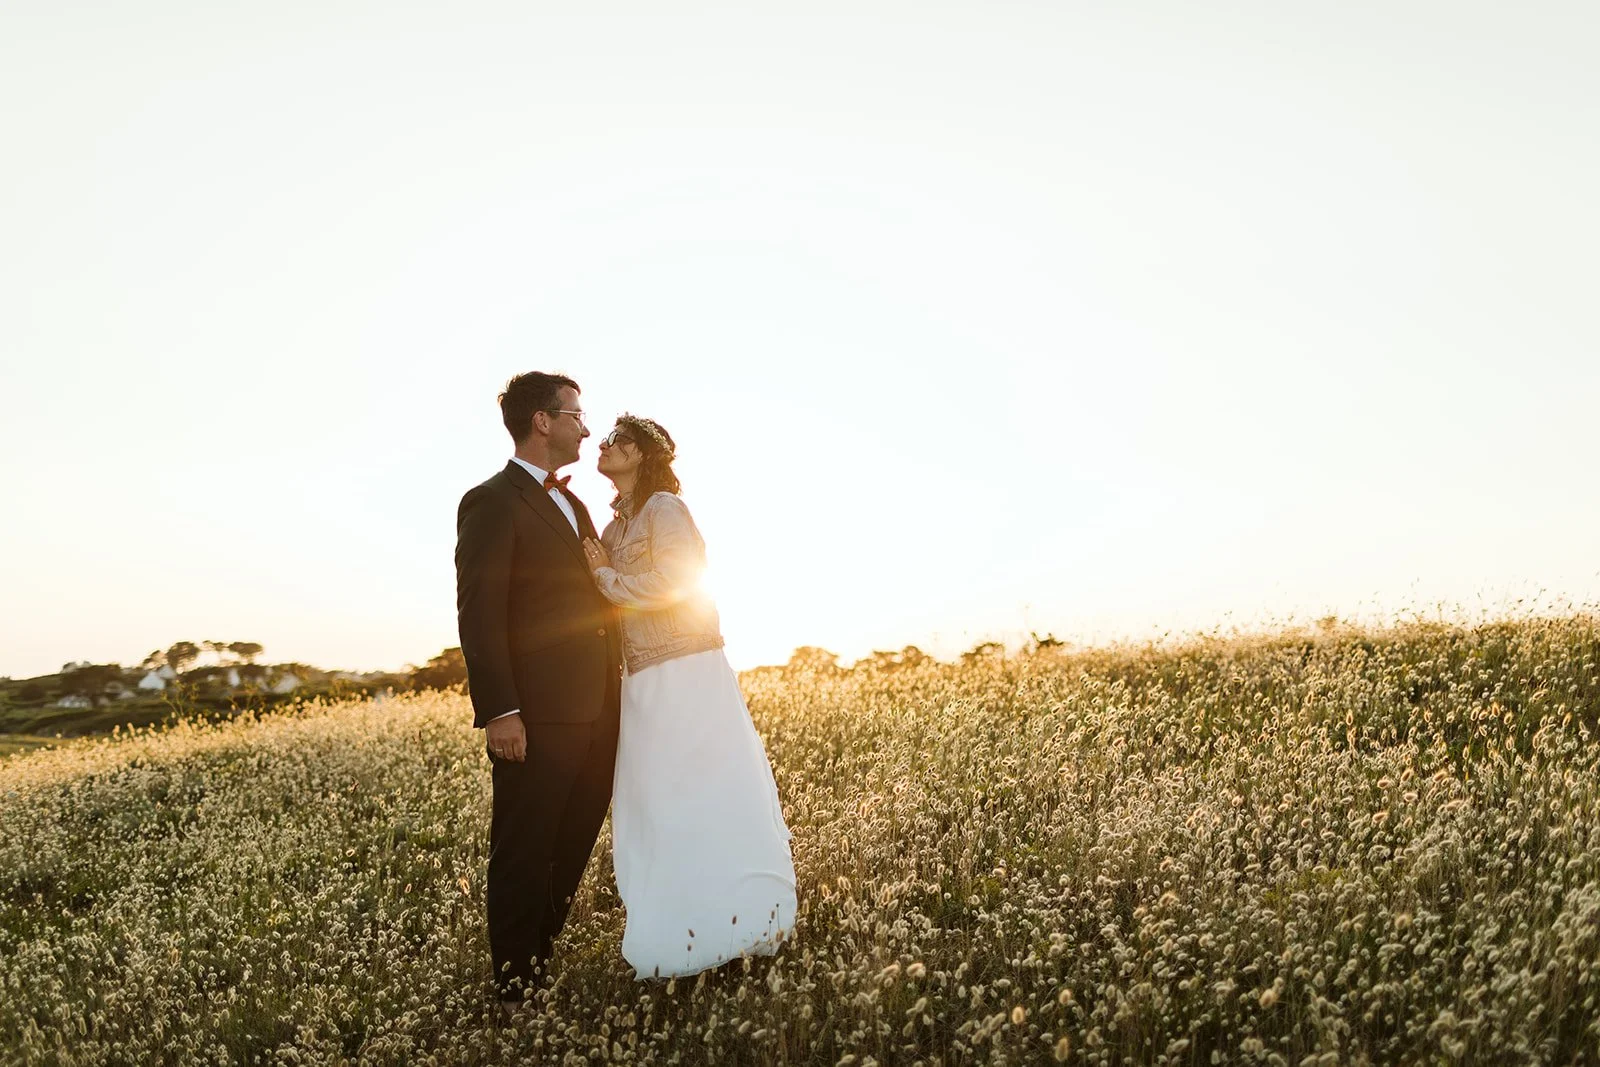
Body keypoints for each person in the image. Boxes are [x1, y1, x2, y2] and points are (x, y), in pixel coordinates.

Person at [580, 414, 796, 979]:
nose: (602, 445)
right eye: (601, 438)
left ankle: (745, 922)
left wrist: (605, 579)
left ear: (643, 454)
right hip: (643, 678)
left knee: (706, 791)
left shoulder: (664, 510)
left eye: (615, 440)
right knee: (660, 802)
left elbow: (673, 584)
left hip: (686, 668)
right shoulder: (612, 527)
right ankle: (680, 931)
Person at [454, 372, 623, 1013]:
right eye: (575, 414)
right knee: (525, 845)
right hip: (536, 714)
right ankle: (515, 988)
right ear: (542, 422)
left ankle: (539, 956)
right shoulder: (491, 501)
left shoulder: (575, 506)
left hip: (599, 708)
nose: (586, 426)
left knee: (573, 839)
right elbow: (480, 613)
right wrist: (501, 710)